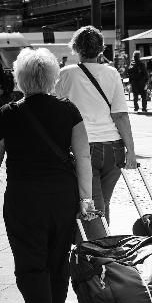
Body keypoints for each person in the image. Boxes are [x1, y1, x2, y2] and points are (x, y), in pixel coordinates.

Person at [0, 48, 95, 303]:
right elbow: (83, 156)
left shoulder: (7, 113)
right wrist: (86, 199)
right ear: (52, 77)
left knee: (29, 260)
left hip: (23, 197)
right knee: (59, 259)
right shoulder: (69, 111)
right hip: (62, 196)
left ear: (20, 78)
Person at [54, 25, 137, 223]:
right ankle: (97, 244)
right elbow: (121, 116)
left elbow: (54, 110)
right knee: (101, 204)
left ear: (76, 48)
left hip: (83, 148)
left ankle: (97, 248)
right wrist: (131, 151)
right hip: (114, 149)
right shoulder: (112, 73)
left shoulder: (66, 74)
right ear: (101, 49)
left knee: (93, 207)